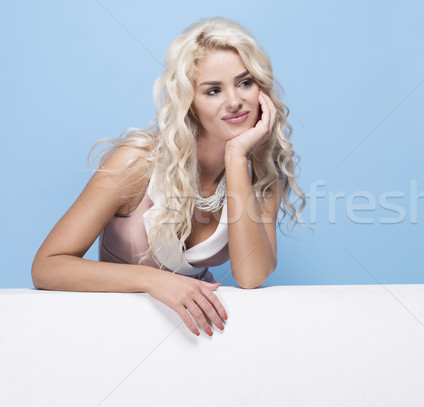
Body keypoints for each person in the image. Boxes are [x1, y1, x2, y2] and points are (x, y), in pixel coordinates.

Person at [31, 17, 306, 337]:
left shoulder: (263, 178)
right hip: (113, 331)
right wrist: (151, 280)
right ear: (190, 102)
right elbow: (47, 266)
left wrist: (236, 156)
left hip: (195, 334)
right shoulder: (136, 165)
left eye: (244, 82)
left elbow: (251, 276)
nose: (234, 101)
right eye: (213, 90)